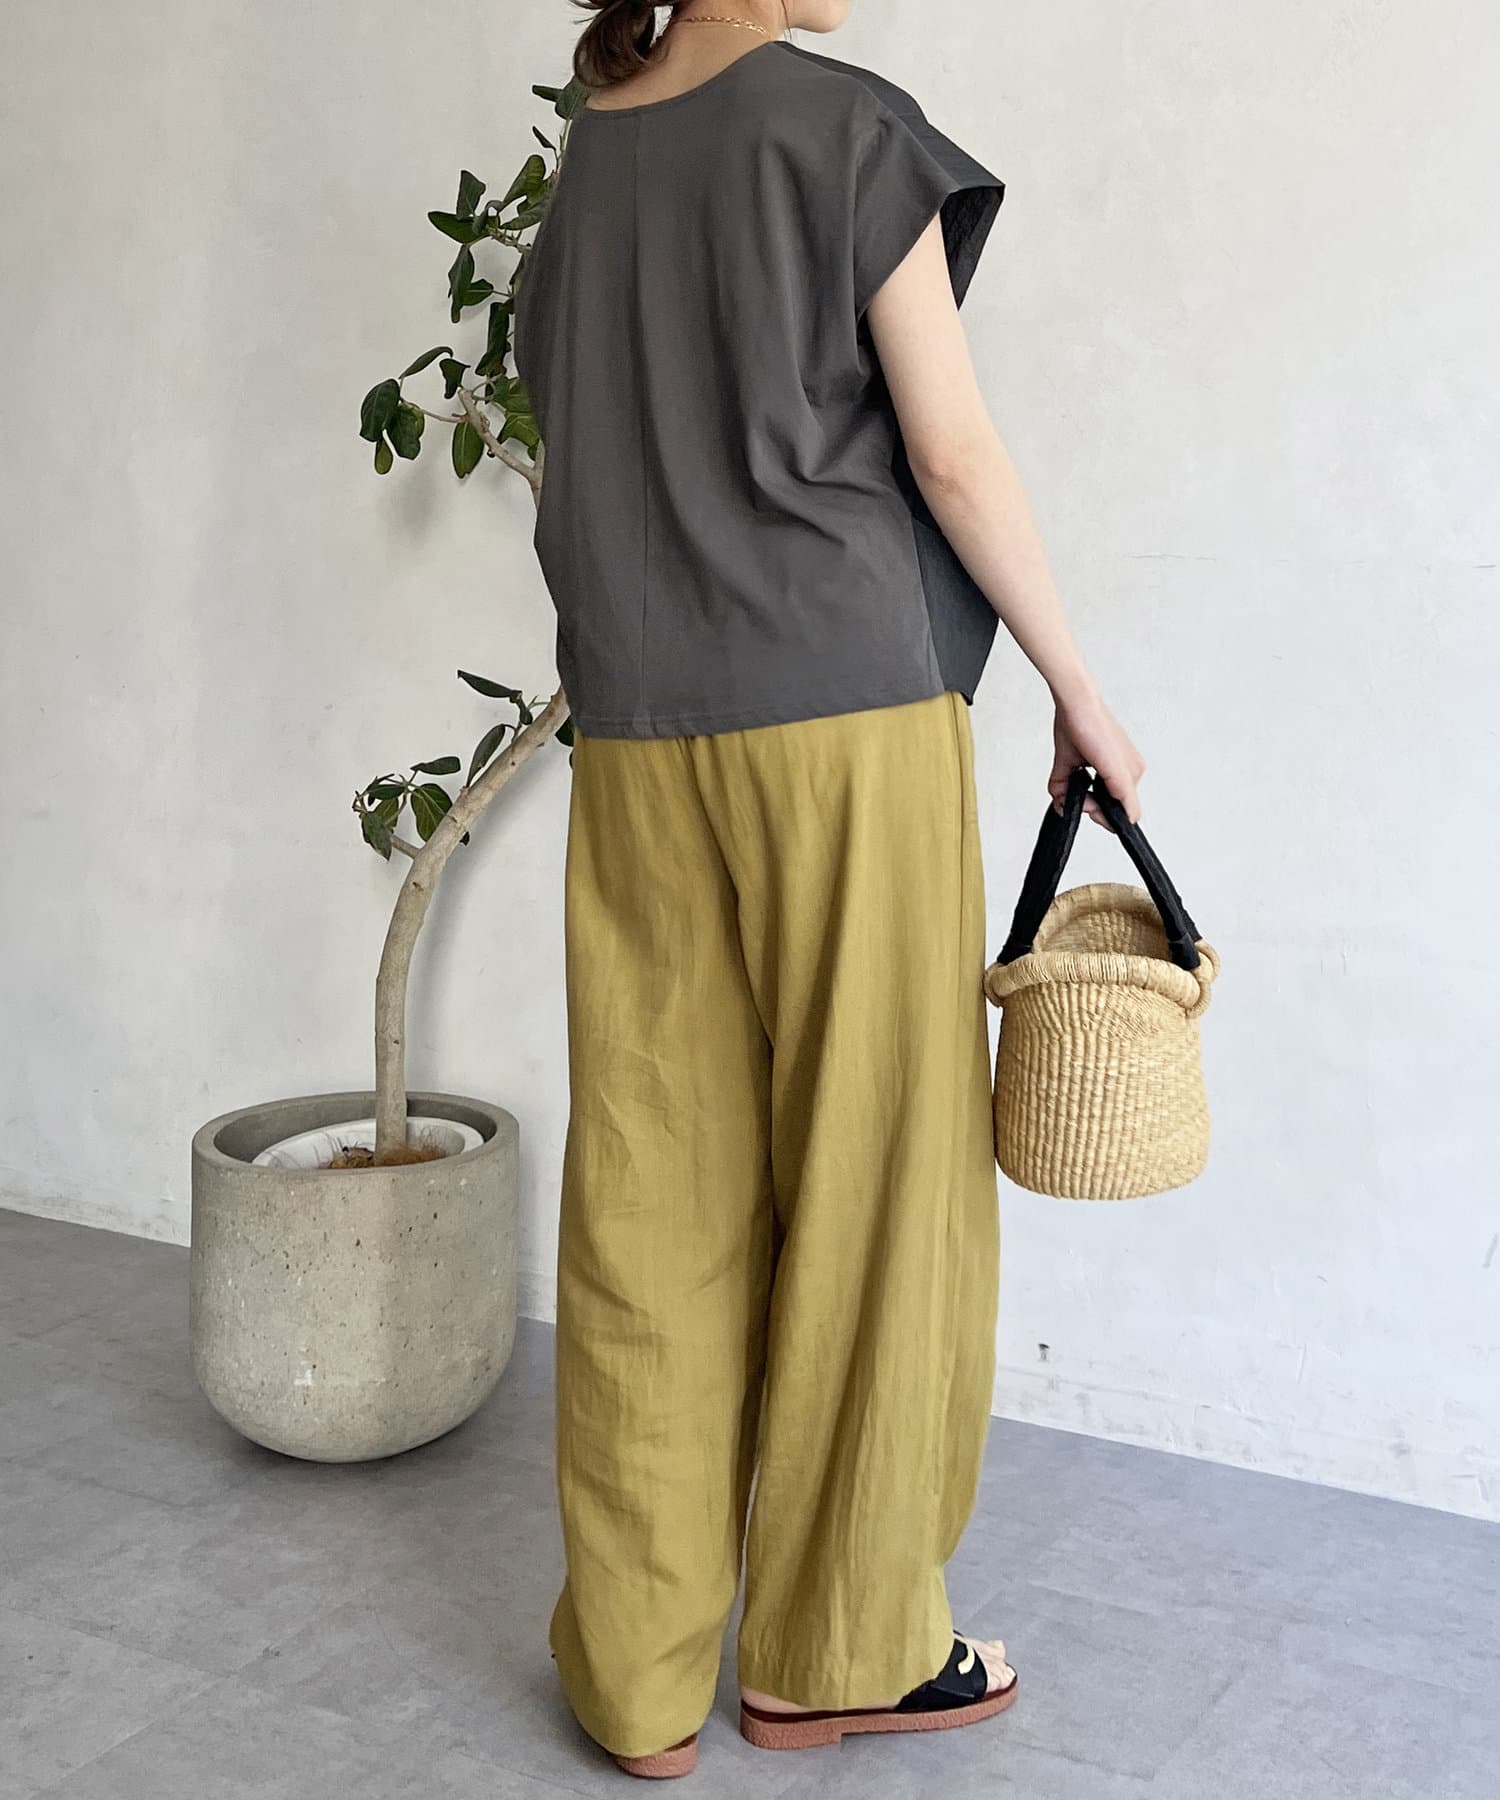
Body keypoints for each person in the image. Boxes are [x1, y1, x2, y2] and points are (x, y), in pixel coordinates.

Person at [512, 0, 1146, 1779]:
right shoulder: (843, 128)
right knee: (879, 1169)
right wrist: (1078, 687)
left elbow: (572, 464)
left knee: (651, 1178)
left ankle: (636, 1676)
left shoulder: (590, 161)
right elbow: (950, 454)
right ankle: (842, 1645)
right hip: (845, 721)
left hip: (638, 731)